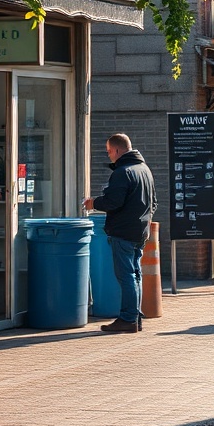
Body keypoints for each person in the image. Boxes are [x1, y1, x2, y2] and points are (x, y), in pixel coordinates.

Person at [83, 133, 157, 333]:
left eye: (109, 151)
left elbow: (113, 201)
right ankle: (135, 317)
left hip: (123, 232)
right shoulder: (144, 170)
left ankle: (128, 318)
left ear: (117, 150)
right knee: (135, 274)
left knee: (126, 276)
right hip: (140, 231)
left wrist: (93, 203)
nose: (108, 156)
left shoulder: (122, 172)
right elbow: (153, 202)